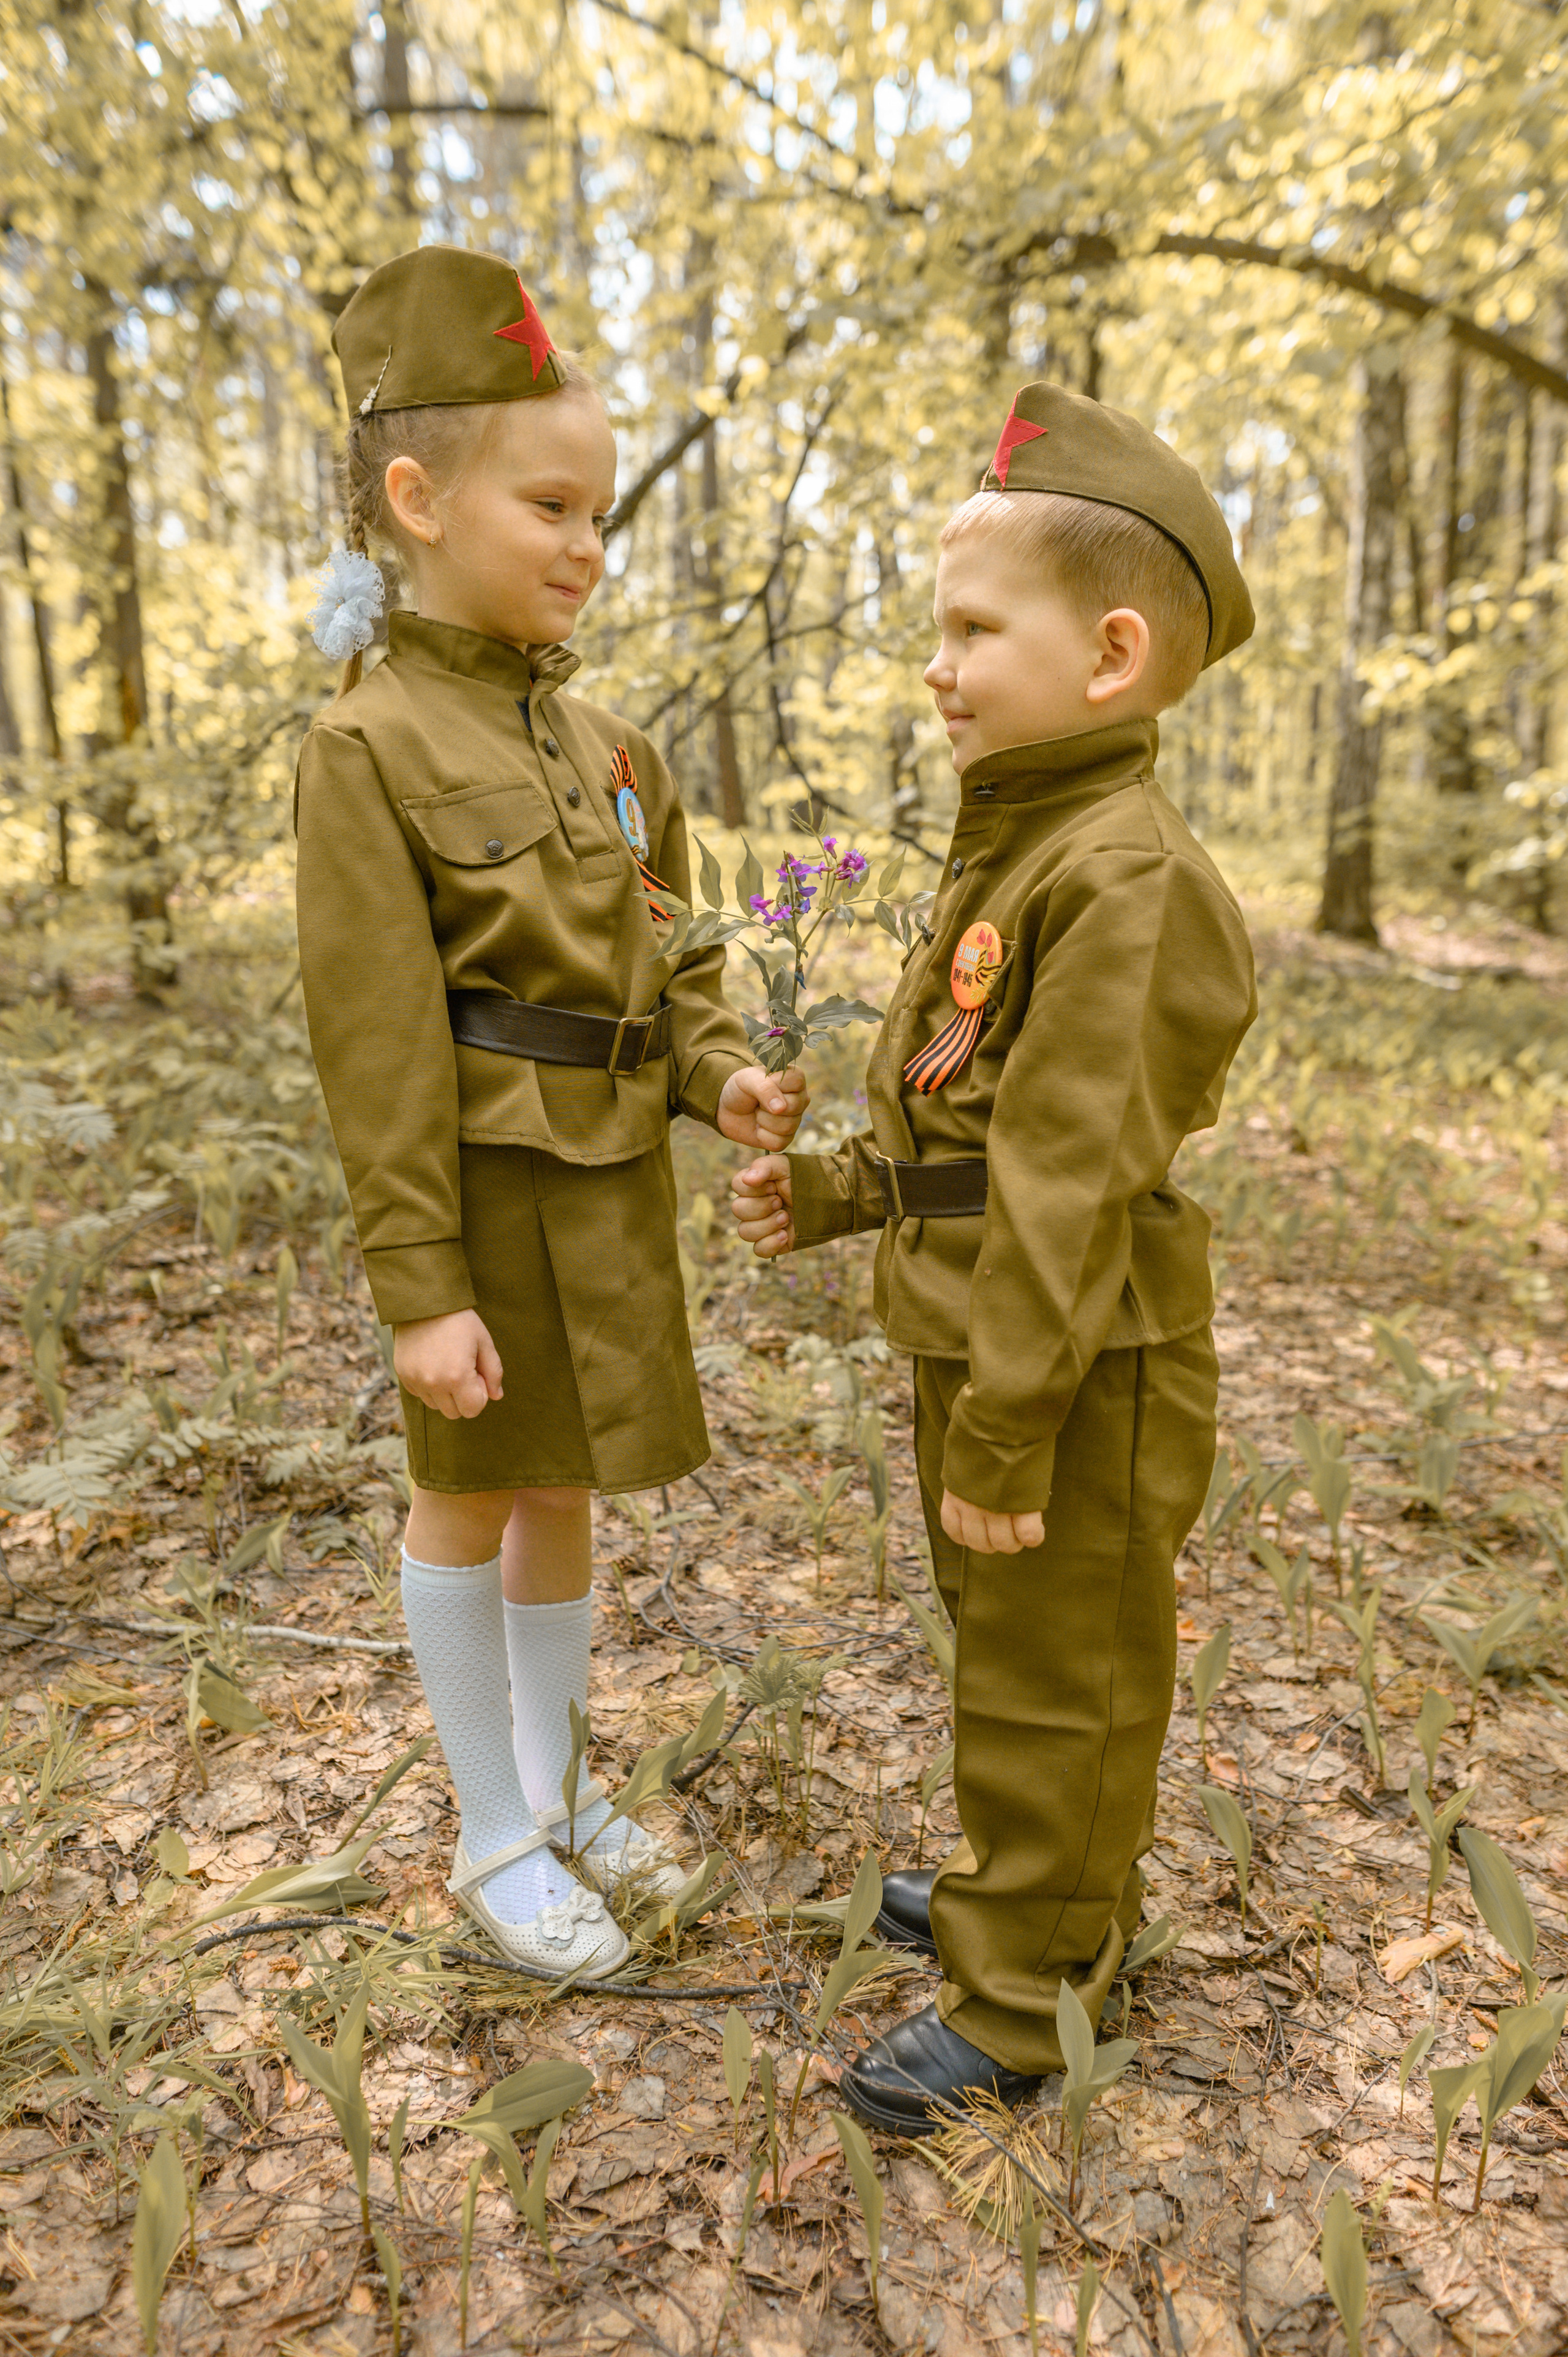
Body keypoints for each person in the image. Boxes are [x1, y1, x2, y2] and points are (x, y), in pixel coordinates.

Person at [730, 380, 1257, 2128]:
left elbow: (1068, 1175)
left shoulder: (1126, 876)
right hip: (993, 1332)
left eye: (973, 629)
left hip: (1075, 1353)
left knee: (1059, 1678)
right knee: (1010, 1643)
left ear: (1110, 655)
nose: (939, 667)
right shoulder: (1027, 842)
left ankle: (1030, 1998)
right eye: (936, 633)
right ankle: (1026, 1901)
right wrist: (836, 1196)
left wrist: (1015, 1415)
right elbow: (972, 1126)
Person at [295, 246, 806, 1980]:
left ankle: (561, 1781)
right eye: (553, 503)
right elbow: (375, 1041)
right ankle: (489, 1833)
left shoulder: (610, 747)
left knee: (568, 1485)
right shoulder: (365, 747)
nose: (589, 542)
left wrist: (725, 1070)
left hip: (602, 1195)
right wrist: (418, 1288)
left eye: (603, 509)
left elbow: (679, 948)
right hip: (481, 1192)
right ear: (418, 498)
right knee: (468, 1492)